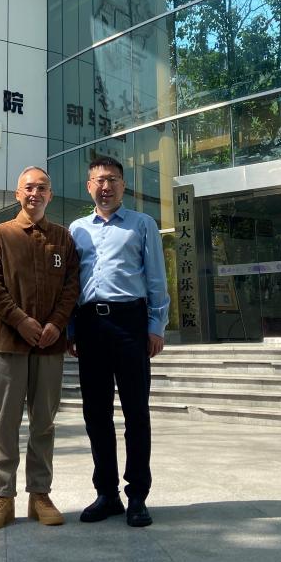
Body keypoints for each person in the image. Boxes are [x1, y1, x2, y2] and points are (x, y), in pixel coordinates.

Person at [68, 156, 170, 528]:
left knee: (136, 413)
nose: (105, 186)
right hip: (90, 326)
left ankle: (138, 495)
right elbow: (70, 284)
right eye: (99, 180)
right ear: (89, 187)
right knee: (96, 414)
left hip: (130, 324)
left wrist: (156, 326)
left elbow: (156, 278)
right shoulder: (76, 229)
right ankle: (107, 494)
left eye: (112, 179)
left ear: (123, 186)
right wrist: (71, 329)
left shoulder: (143, 224)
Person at [0, 166, 81, 530]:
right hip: (9, 344)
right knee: (5, 424)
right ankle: (2, 497)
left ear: (50, 195)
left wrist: (56, 324)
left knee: (43, 423)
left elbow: (72, 286)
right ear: (17, 194)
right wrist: (22, 321)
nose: (34, 193)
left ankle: (40, 495)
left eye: (41, 188)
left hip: (50, 346)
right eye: (28, 188)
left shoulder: (63, 239)